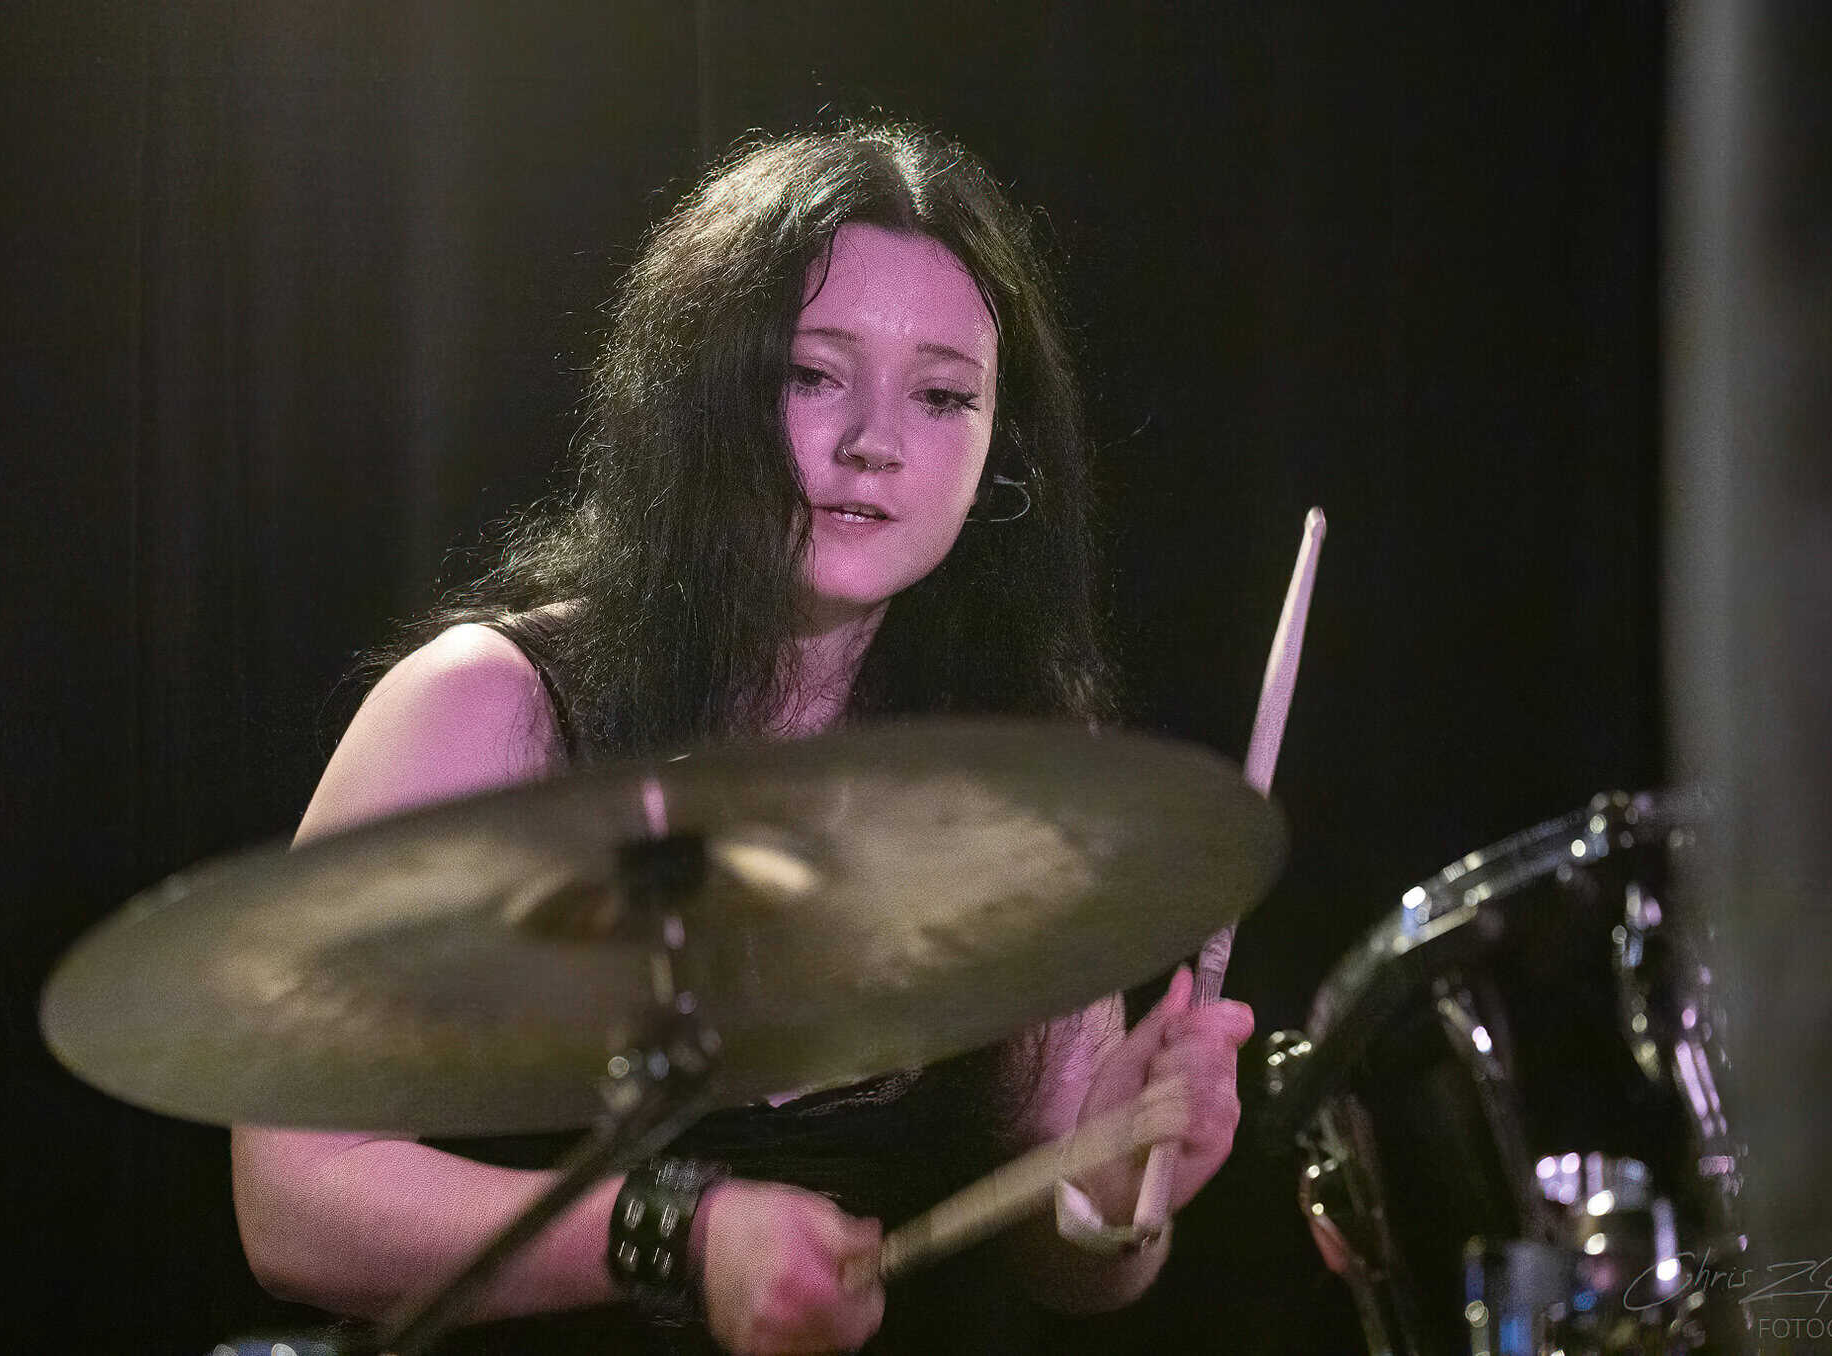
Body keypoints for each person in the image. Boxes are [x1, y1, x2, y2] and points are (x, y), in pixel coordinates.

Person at [231, 121, 1254, 1355]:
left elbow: (1067, 1271)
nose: (874, 441)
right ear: (701, 396)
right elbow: (294, 1199)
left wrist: (1116, 1189)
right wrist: (678, 1233)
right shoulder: (488, 706)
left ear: (999, 453)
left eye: (942, 396)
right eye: (814, 375)